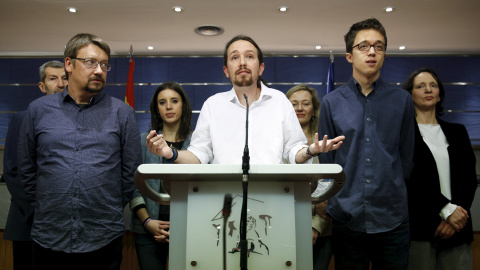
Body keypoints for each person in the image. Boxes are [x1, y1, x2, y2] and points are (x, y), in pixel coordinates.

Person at [17, 33, 142, 270]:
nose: (99, 70)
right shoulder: (38, 110)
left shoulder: (121, 113)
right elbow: (26, 169)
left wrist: (106, 206)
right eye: (90, 62)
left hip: (103, 237)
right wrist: (48, 205)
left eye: (104, 65)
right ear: (68, 64)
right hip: (49, 236)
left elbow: (130, 173)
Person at [147, 35, 344, 164]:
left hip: (273, 197)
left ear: (261, 68)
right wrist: (170, 153)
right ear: (226, 71)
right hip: (223, 200)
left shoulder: (279, 101)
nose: (242, 62)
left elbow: (293, 151)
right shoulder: (213, 105)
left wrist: (310, 151)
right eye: (234, 58)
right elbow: (200, 154)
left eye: (249, 56)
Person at [319, 18, 415, 269]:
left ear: (384, 54)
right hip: (346, 217)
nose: (372, 51)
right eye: (363, 46)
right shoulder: (331, 102)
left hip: (393, 217)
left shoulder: (402, 100)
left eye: (379, 46)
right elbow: (328, 164)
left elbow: (406, 158)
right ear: (349, 56)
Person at [403, 68, 477, 270]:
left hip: (458, 227)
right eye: (420, 86)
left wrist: (455, 217)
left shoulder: (458, 132)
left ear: (439, 95)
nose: (428, 89)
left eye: (433, 85)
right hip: (420, 227)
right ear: (410, 95)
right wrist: (444, 209)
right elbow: (412, 180)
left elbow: (469, 180)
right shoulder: (403, 135)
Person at [3, 60, 67, 270]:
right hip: (28, 220)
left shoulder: (78, 122)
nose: (60, 84)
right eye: (53, 78)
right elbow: (13, 171)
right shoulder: (23, 118)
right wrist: (39, 212)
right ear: (42, 86)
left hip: (65, 225)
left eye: (65, 78)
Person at [130, 82, 193, 270]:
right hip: (148, 229)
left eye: (174, 101)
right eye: (162, 102)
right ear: (156, 108)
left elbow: (204, 189)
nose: (169, 106)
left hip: (189, 229)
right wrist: (148, 222)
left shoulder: (198, 144)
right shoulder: (143, 142)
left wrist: (182, 226)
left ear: (184, 105)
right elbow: (132, 186)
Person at [286, 84, 332, 270]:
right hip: (284, 225)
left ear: (314, 109)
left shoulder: (325, 142)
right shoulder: (275, 142)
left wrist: (315, 226)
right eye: (294, 104)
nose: (299, 108)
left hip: (322, 229)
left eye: (305, 103)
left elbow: (329, 184)